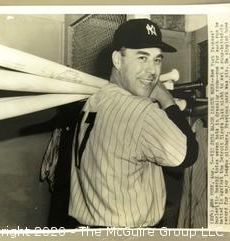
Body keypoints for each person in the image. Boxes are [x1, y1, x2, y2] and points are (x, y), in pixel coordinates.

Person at [68, 18, 199, 228]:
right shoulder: (142, 112)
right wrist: (166, 99)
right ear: (117, 60)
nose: (152, 71)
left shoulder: (93, 100)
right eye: (142, 57)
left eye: (157, 60)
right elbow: (189, 154)